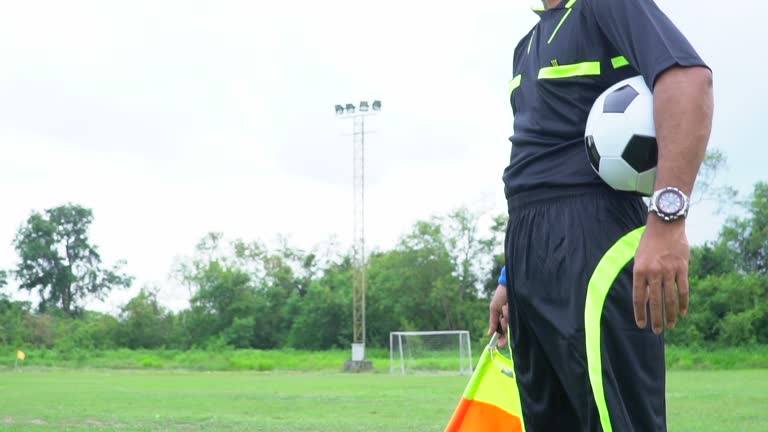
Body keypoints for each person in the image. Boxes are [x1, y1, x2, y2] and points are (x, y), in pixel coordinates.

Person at [487, 0, 713, 431]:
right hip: (527, 249)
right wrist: (509, 276)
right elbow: (536, 161)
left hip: (594, 238)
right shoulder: (526, 45)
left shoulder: (605, 5)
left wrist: (667, 223)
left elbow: (688, 80)